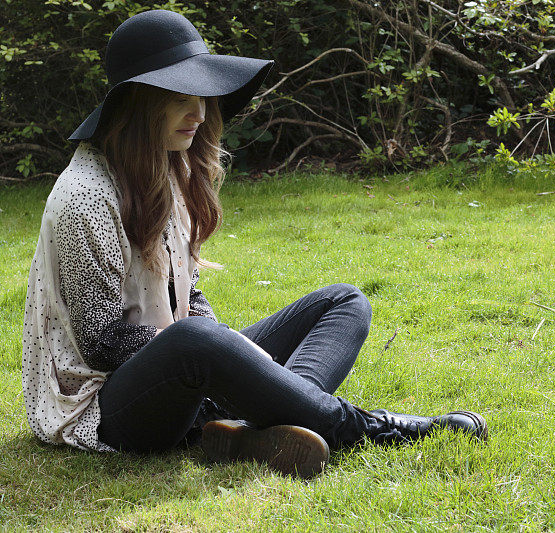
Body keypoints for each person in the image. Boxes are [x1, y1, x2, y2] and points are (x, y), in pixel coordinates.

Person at [21, 9, 486, 479]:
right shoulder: (84, 195)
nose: (199, 114)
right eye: (181, 98)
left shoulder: (167, 165)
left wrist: (239, 362)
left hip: (185, 371)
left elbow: (188, 298)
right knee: (196, 340)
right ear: (139, 105)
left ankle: (254, 427)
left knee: (344, 302)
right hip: (107, 406)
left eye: (203, 97)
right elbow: (104, 344)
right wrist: (222, 353)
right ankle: (364, 427)